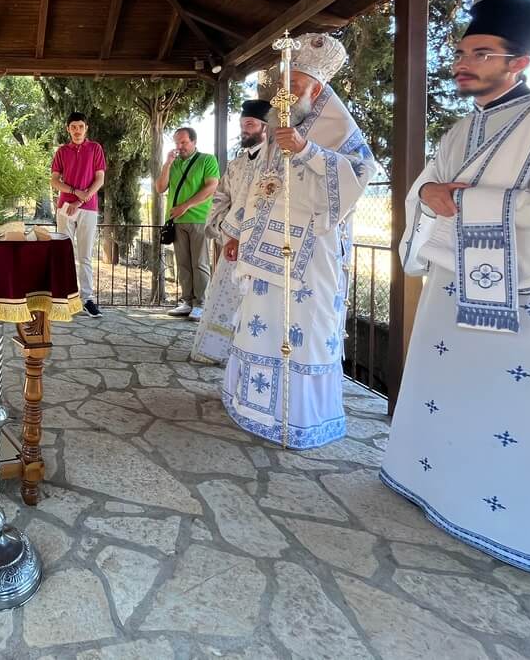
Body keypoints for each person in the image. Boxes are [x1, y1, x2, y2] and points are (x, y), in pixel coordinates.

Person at [382, 0, 530, 575]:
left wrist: (462, 202)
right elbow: (427, 188)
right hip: (454, 292)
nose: (462, 64)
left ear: (518, 63)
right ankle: (439, 488)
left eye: (480, 54)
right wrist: (427, 195)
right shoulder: (460, 129)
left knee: (522, 413)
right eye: (461, 53)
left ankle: (524, 526)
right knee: (456, 393)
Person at [221, 34, 377, 448]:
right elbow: (259, 185)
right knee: (261, 326)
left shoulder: (339, 127)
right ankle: (253, 408)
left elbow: (362, 173)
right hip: (263, 252)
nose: (284, 93)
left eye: (293, 85)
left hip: (310, 256)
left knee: (303, 331)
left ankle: (298, 418)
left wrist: (308, 150)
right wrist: (235, 232)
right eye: (282, 85)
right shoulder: (278, 127)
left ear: (316, 89)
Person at [190, 101, 270, 364]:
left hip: (261, 248)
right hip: (232, 243)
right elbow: (221, 196)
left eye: (250, 124)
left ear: (265, 127)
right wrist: (224, 228)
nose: (244, 129)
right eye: (242, 124)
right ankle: (217, 352)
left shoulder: (274, 164)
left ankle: (246, 355)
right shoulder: (236, 165)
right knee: (224, 298)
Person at [156, 127, 220, 320]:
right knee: (183, 263)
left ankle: (201, 303)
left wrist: (185, 206)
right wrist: (167, 164)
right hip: (177, 220)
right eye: (177, 142)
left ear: (194, 141)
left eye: (183, 142)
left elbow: (212, 186)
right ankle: (187, 301)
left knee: (199, 263)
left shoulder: (207, 160)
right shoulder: (174, 164)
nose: (179, 146)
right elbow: (160, 188)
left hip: (199, 218)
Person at [51, 112, 106, 318]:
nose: (77, 130)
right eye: (73, 127)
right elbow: (54, 181)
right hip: (65, 208)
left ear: (86, 128)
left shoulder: (95, 148)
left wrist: (80, 201)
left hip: (88, 208)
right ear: (68, 129)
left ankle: (87, 299)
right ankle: (64, 298)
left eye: (80, 126)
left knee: (85, 256)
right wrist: (74, 193)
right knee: (63, 253)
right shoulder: (62, 151)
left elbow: (99, 179)